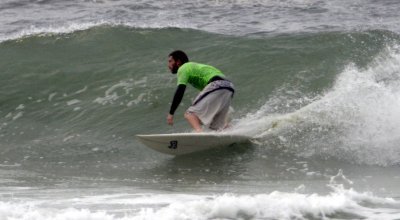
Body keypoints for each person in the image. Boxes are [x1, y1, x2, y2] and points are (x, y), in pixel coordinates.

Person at [166, 50, 234, 132]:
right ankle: (230, 131)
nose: (168, 65)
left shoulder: (183, 68)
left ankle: (199, 133)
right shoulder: (197, 67)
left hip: (217, 84)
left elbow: (180, 90)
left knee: (190, 114)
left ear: (178, 62)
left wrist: (171, 113)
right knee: (217, 127)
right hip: (229, 86)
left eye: (170, 61)